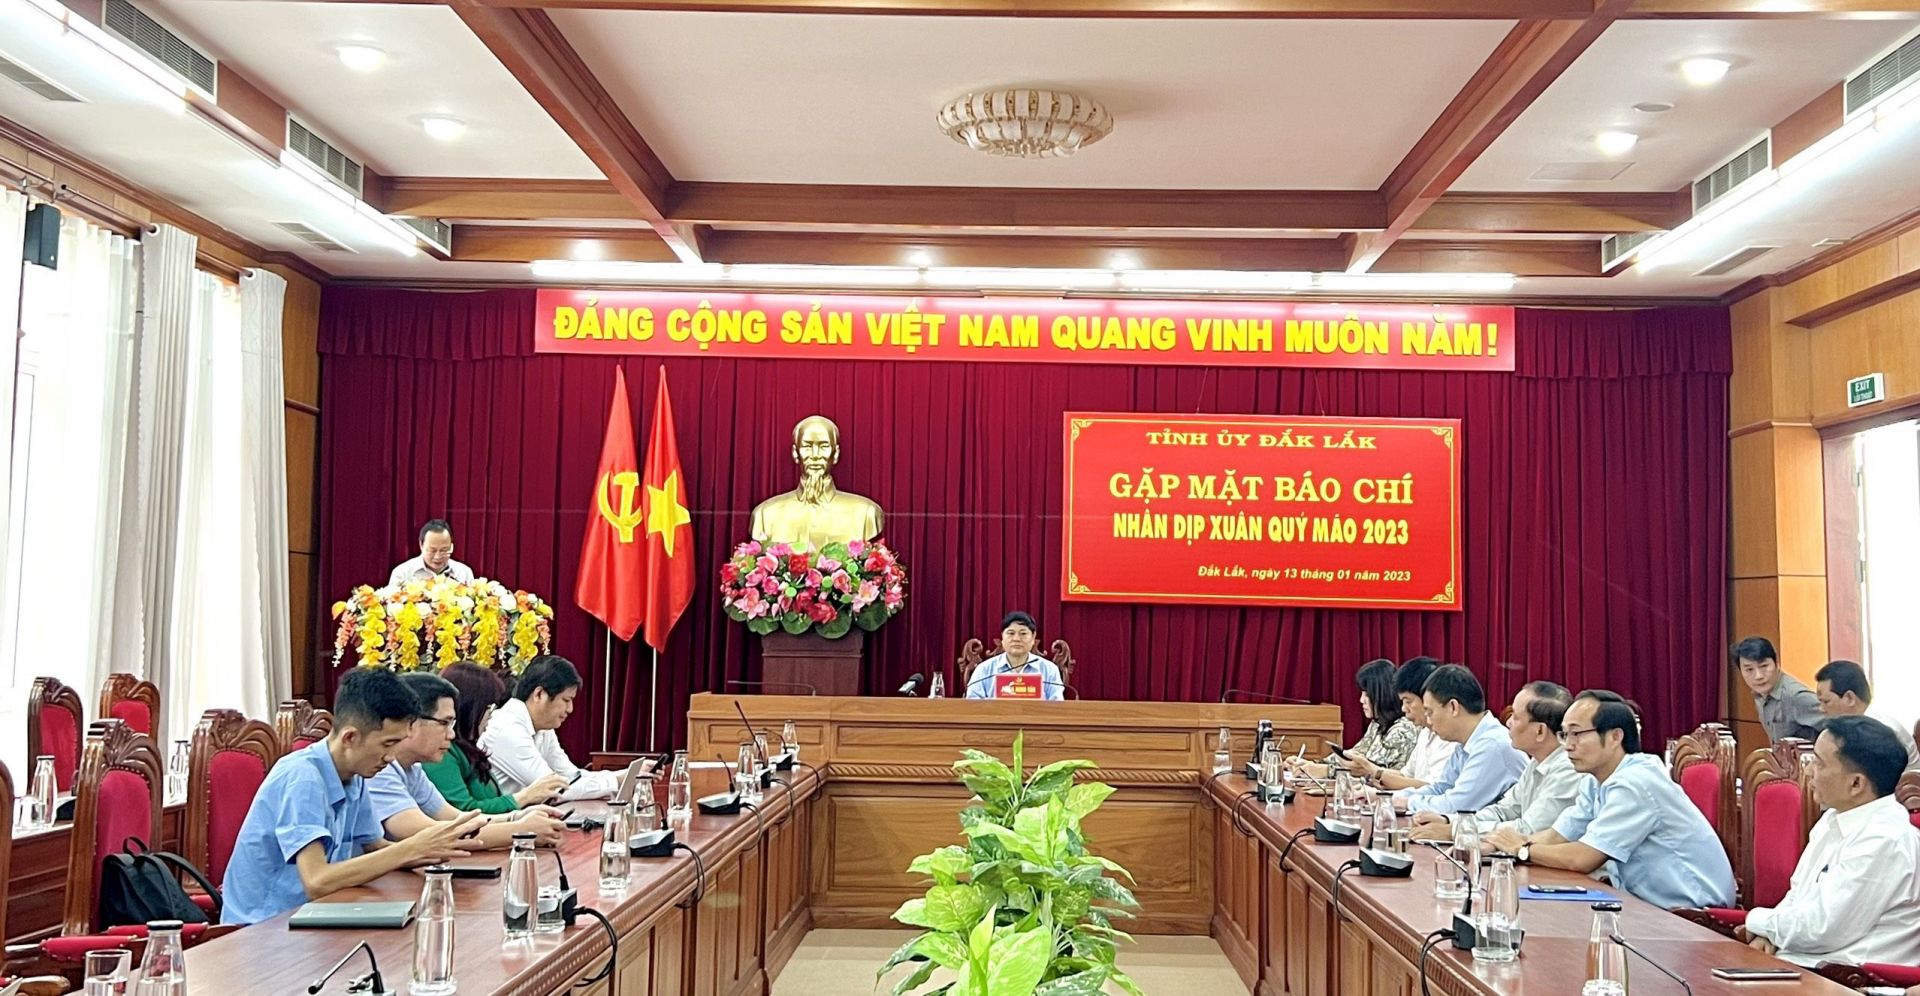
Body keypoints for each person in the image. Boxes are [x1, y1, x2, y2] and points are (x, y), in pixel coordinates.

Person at [221, 668, 483, 925]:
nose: (391, 757)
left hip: (317, 915)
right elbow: (317, 881)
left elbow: (374, 846)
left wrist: (432, 852)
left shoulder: (354, 774)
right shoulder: (304, 778)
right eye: (387, 744)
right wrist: (411, 848)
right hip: (264, 927)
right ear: (350, 737)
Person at [1484, 690, 1735, 910]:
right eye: (1564, 735)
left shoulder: (1636, 783)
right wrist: (1499, 845)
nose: (1568, 745)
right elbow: (1558, 835)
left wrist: (1522, 850)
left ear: (1615, 737)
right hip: (1646, 906)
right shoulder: (1596, 780)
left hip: (1692, 911)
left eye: (1577, 734)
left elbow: (1583, 858)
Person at [1739, 716, 1920, 968]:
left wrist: (1756, 921)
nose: (1808, 770)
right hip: (1801, 963)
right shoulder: (1833, 820)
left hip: (1848, 977)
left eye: (1819, 763)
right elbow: (1797, 897)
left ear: (1856, 783)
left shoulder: (1885, 839)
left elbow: (1821, 929)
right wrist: (1768, 934)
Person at [370, 671, 566, 848]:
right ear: (410, 722)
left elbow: (455, 818)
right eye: (444, 723)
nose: (451, 734)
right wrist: (521, 831)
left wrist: (516, 817)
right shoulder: (379, 769)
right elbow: (426, 832)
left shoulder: (412, 770)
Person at [1412, 681, 1582, 841]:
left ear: (1540, 731)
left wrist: (1457, 830)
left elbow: (1527, 830)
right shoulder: (1538, 761)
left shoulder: (1567, 770)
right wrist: (1450, 821)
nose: (1508, 722)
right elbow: (1504, 811)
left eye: (1515, 717)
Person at [480, 655, 644, 799]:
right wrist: (617, 780)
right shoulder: (507, 727)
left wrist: (626, 775)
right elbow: (553, 789)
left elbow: (570, 776)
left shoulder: (543, 727)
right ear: (539, 694)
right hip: (500, 820)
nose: (570, 709)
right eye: (566, 700)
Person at [424, 661, 571, 814]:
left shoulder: (468, 749)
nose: (492, 714)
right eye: (489, 707)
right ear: (470, 707)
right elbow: (463, 811)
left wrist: (524, 815)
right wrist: (524, 797)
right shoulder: (442, 751)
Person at [1395, 665, 1528, 815]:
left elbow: (1456, 806)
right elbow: (1441, 788)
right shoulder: (1465, 744)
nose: (1429, 721)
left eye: (1430, 712)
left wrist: (1407, 803)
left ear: (1453, 707)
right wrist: (1394, 798)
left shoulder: (1492, 745)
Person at [1286, 659, 1417, 782]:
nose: (1361, 700)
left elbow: (1365, 771)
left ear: (1381, 694)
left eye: (1366, 694)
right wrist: (1309, 764)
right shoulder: (1377, 725)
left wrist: (1325, 770)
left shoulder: (1402, 729)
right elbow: (1351, 756)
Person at [1345, 657, 1457, 792]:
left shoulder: (1450, 738)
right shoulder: (1425, 733)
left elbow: (1434, 788)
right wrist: (1372, 773)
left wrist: (1375, 773)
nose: (1403, 708)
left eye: (1408, 701)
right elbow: (1406, 775)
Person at [1814, 659, 1919, 770]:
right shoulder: (1859, 726)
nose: (1821, 709)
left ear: (1849, 698)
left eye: (1826, 701)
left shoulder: (1878, 728)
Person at [1734, 636, 1824, 742]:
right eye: (1749, 670)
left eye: (1764, 666)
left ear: (1777, 663)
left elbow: (1839, 726)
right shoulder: (1760, 694)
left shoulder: (1796, 697)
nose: (1758, 676)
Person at [964, 612, 1064, 701]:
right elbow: (972, 706)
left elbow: (1057, 707)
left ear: (1033, 637)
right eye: (1011, 633)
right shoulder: (984, 669)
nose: (1016, 639)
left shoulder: (1049, 670)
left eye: (1023, 633)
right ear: (1002, 637)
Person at [388, 518, 475, 587]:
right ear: (421, 545)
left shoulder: (464, 573)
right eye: (432, 550)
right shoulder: (402, 573)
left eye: (444, 550)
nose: (438, 556)